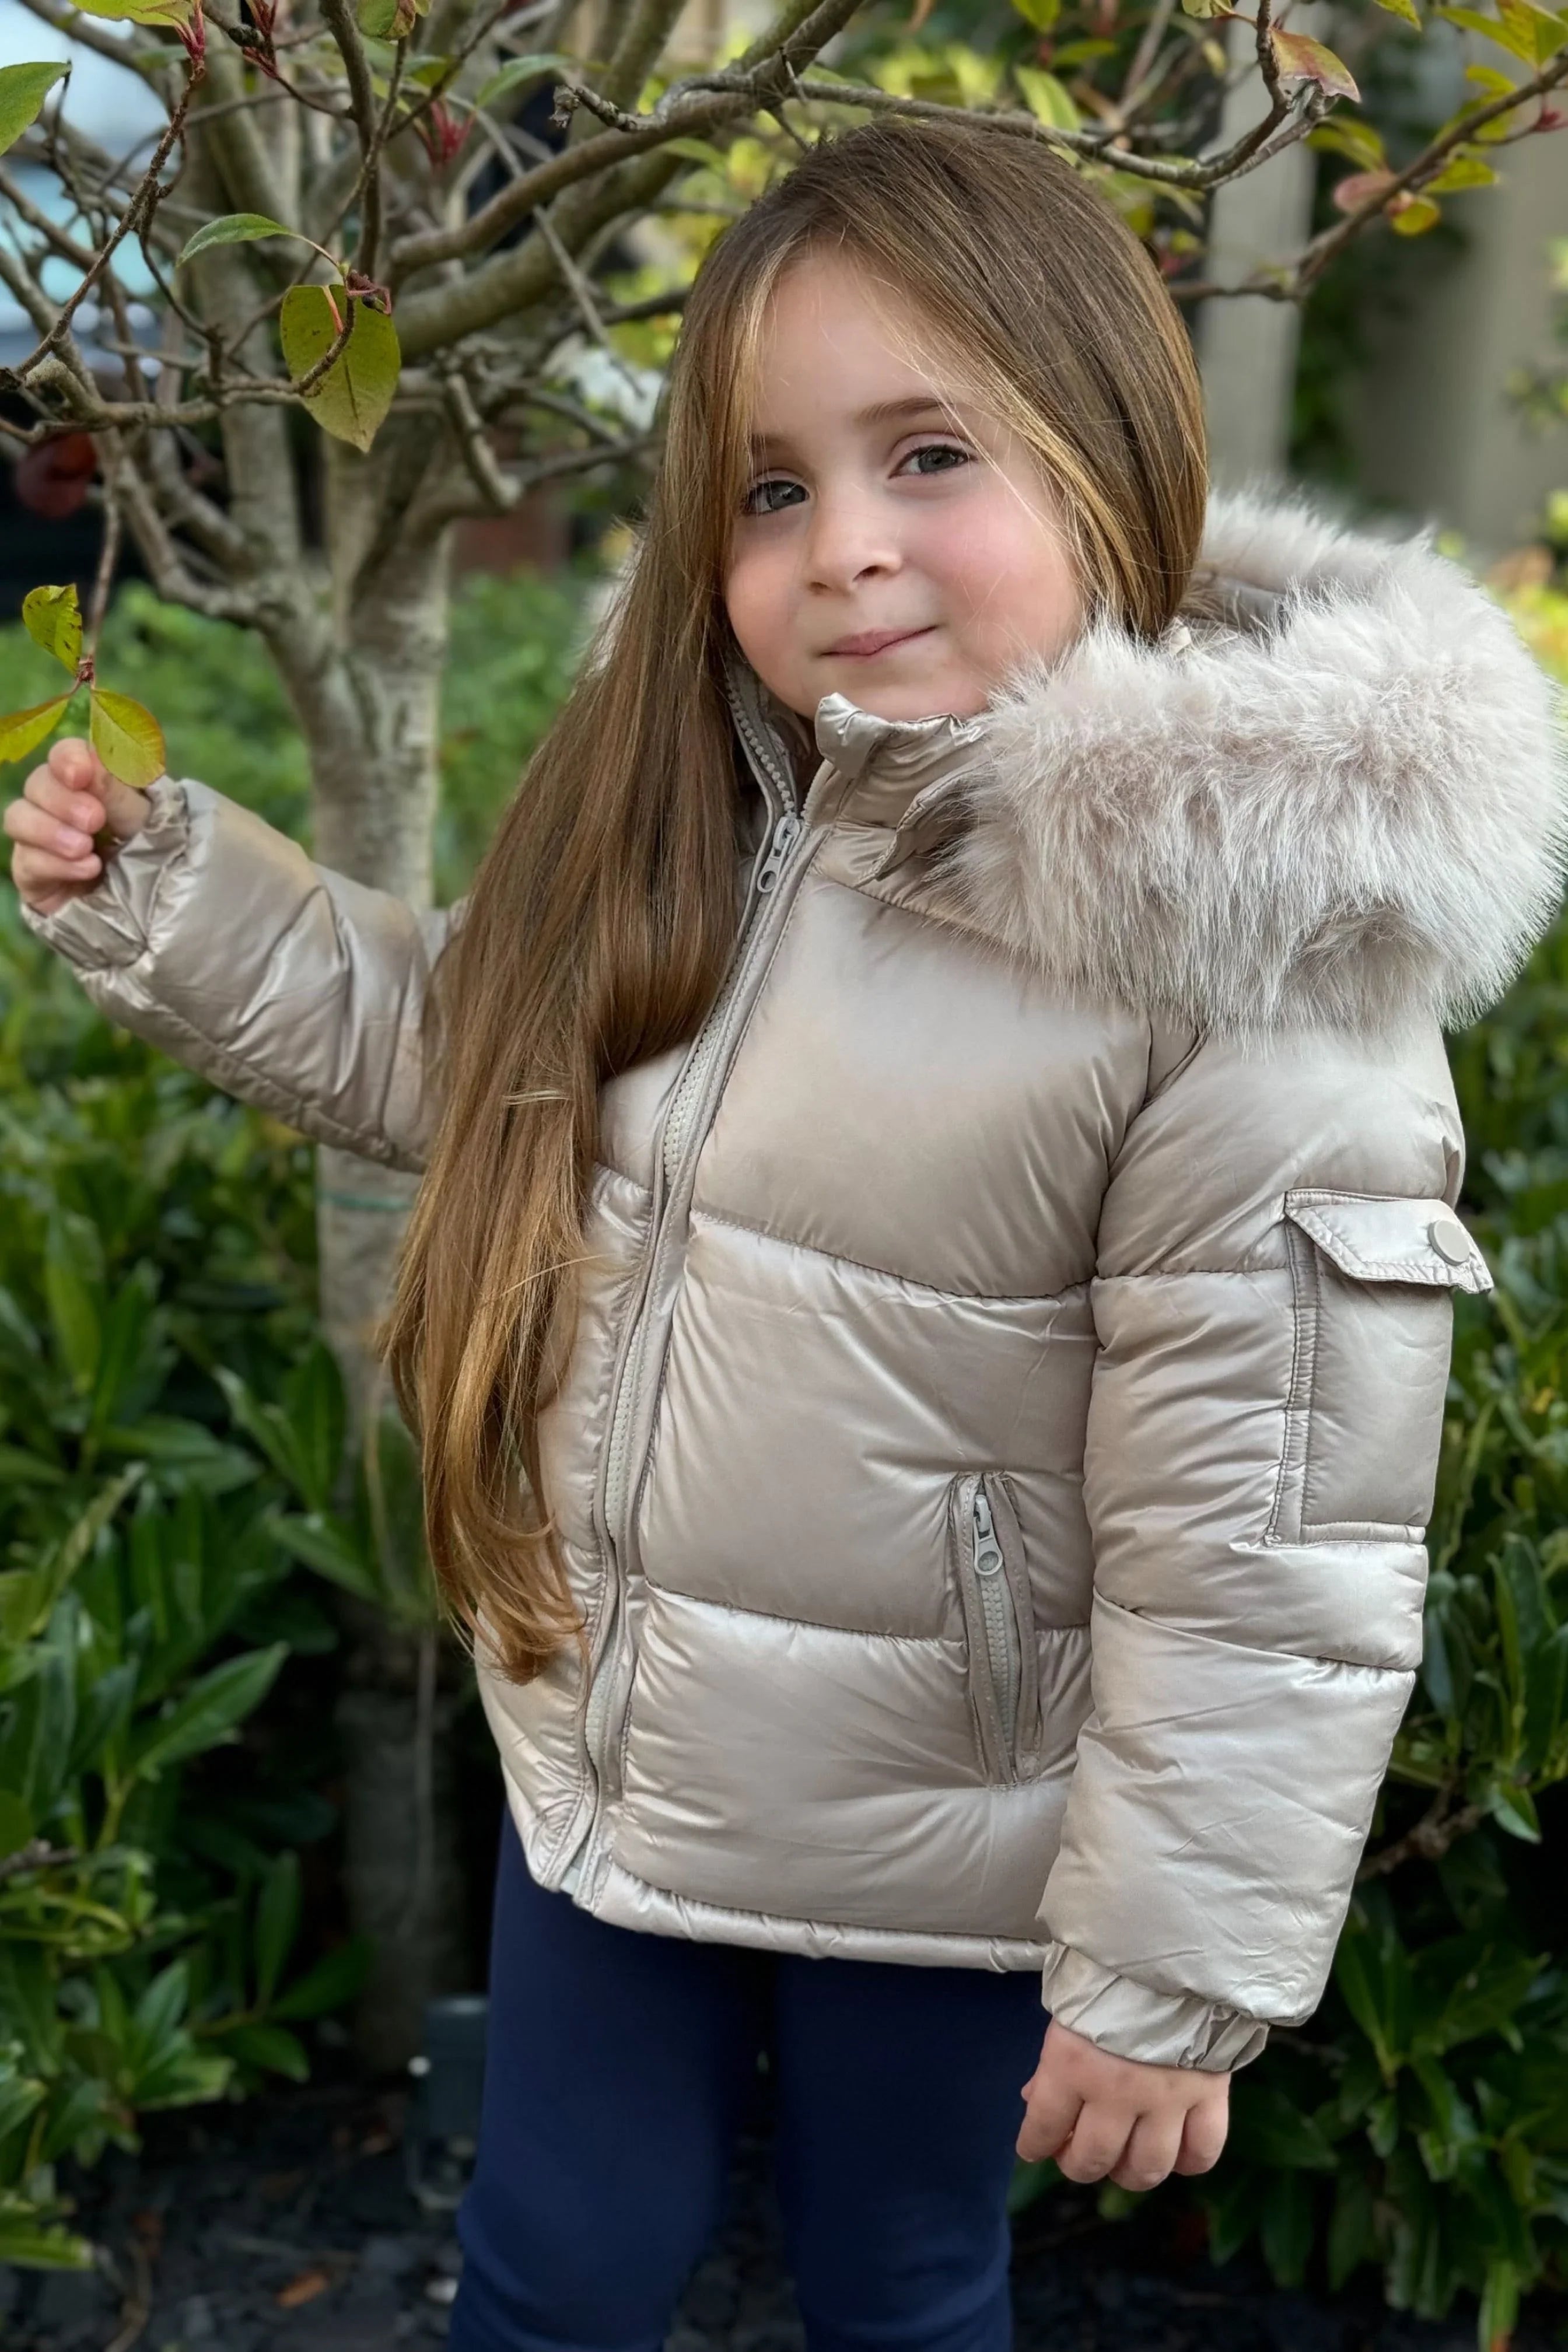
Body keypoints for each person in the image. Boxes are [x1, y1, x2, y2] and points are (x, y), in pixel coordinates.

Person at [8, 116, 1564, 2352]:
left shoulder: (1251, 955)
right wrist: (170, 891)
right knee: (553, 2266)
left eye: (930, 454)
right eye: (770, 487)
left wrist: (1169, 1976)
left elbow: (1267, 1540)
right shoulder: (719, 802)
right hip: (619, 1755)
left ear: (1112, 446)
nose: (844, 549)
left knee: (904, 2281)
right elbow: (472, 1059)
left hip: (953, 1845)